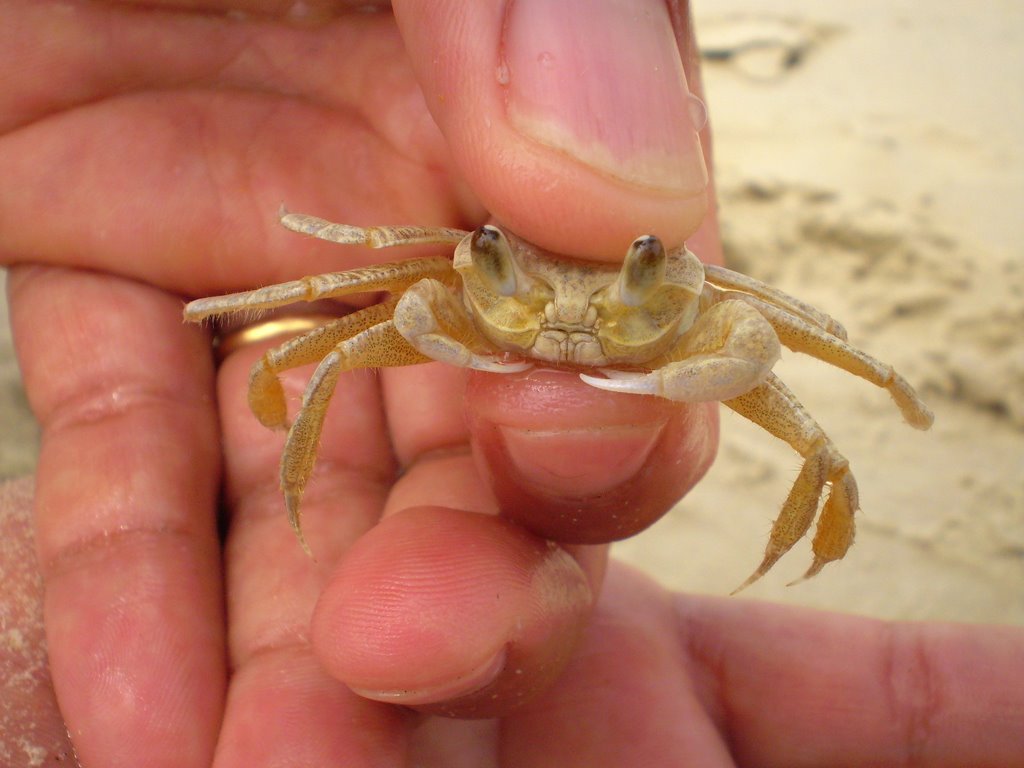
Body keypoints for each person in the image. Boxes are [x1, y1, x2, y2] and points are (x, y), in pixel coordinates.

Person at [1, 1, 1021, 765]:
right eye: (501, 278)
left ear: (659, 281)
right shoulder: (456, 280)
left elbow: (771, 339)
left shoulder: (688, 297)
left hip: (631, 315)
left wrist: (879, 379)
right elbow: (360, 286)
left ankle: (786, 557)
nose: (562, 329)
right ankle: (305, 493)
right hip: (495, 297)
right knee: (321, 359)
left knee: (821, 451)